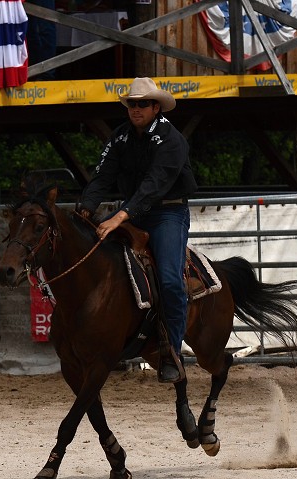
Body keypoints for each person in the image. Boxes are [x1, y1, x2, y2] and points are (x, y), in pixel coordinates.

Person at [78, 77, 197, 383]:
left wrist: (119, 216)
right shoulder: (120, 138)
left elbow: (154, 184)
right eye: (132, 103)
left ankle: (172, 350)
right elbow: (102, 176)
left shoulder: (172, 139)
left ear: (156, 106)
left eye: (143, 103)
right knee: (88, 257)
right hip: (132, 212)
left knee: (171, 279)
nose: (136, 108)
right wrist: (86, 208)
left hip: (167, 213)